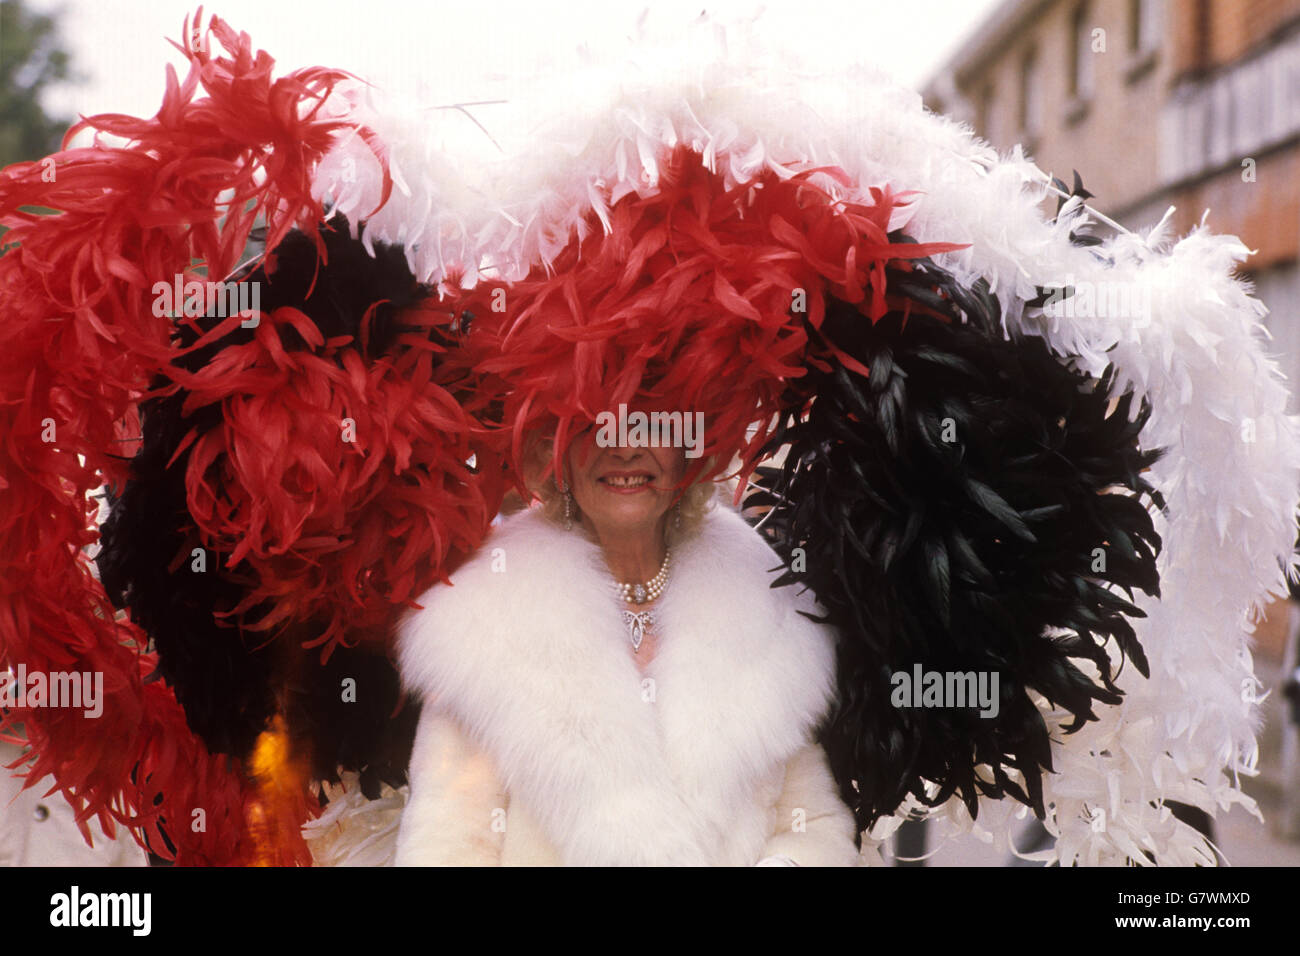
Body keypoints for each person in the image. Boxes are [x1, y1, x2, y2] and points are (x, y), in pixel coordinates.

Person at [392, 423, 864, 866]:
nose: (624, 447)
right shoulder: (483, 621)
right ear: (552, 449)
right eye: (594, 424)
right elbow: (446, 847)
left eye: (652, 422)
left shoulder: (764, 602)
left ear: (692, 445)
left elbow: (813, 826)